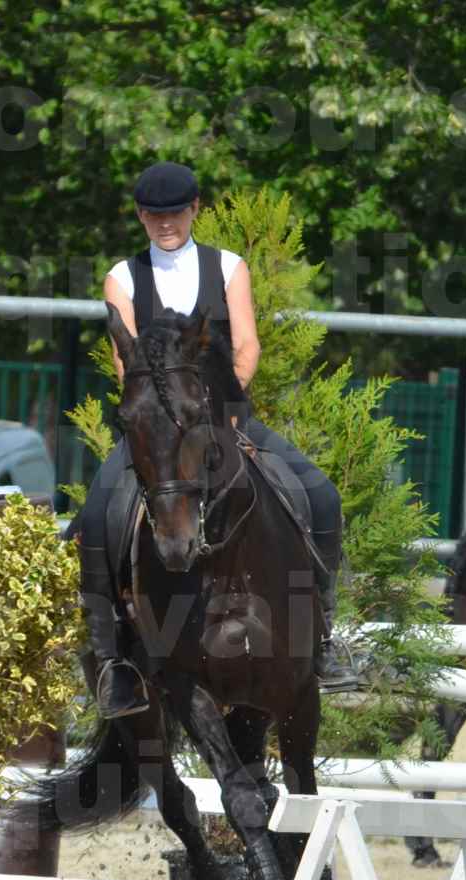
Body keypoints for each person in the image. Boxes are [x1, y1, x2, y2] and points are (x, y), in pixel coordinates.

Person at [79, 161, 357, 719]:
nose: (165, 224)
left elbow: (247, 346)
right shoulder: (122, 277)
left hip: (224, 419)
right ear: (140, 216)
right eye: (154, 215)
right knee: (95, 516)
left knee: (322, 494)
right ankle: (114, 662)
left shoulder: (229, 267)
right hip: (158, 435)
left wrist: (221, 412)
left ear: (195, 210)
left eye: (175, 213)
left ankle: (323, 636)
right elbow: (124, 360)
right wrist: (164, 421)